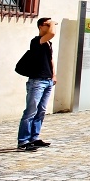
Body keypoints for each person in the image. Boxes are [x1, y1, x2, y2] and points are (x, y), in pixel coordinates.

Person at [17, 18, 57, 152]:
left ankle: (34, 138)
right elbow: (52, 33)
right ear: (41, 26)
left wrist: (54, 75)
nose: (51, 26)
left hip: (47, 80)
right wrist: (52, 23)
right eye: (48, 24)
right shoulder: (36, 41)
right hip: (37, 81)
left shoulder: (48, 44)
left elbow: (51, 60)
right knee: (30, 111)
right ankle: (23, 141)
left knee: (41, 111)